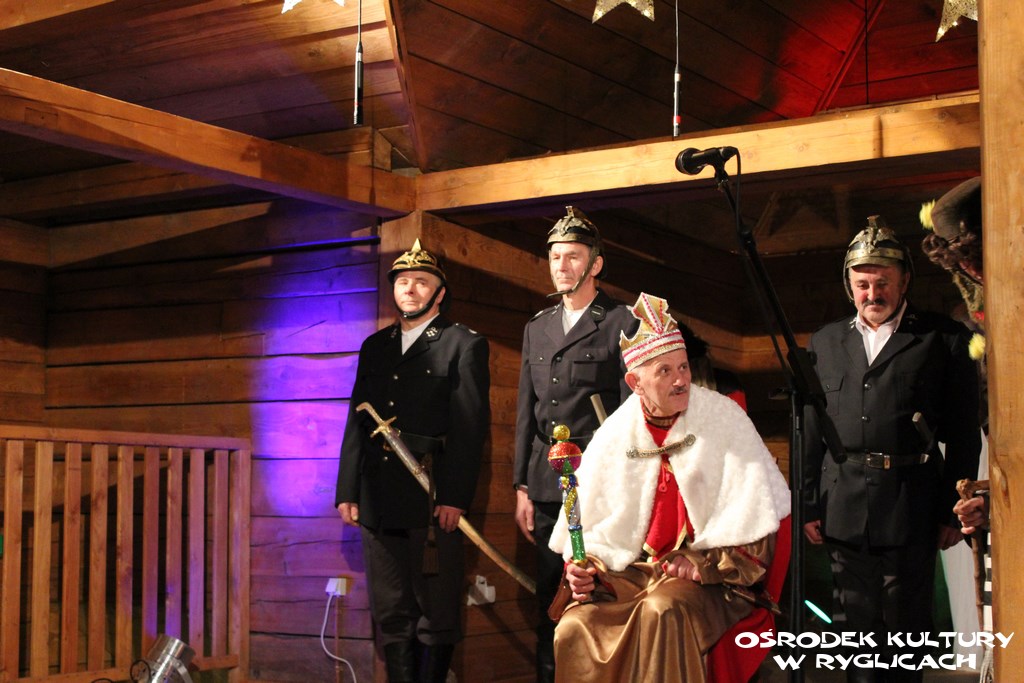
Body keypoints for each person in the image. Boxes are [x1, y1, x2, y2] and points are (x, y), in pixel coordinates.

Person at [547, 292, 791, 683]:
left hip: (713, 580)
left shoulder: (724, 419)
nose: (681, 380)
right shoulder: (615, 433)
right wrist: (585, 566)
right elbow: (595, 528)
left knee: (662, 609)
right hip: (632, 573)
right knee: (575, 625)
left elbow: (756, 520)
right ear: (635, 382)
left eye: (683, 367)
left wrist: (702, 562)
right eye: (665, 371)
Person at [802, 217, 981, 682]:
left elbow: (964, 432)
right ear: (849, 286)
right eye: (862, 284)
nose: (872, 293)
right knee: (854, 630)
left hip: (912, 502)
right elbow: (811, 429)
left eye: (883, 282)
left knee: (906, 626)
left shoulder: (943, 339)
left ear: (904, 282)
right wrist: (807, 503)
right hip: (842, 503)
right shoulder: (825, 341)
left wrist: (953, 507)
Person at [335, 239, 490, 683]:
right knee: (391, 610)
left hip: (431, 496)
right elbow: (358, 420)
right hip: (378, 496)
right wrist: (348, 490)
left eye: (421, 281)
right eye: (402, 281)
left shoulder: (463, 344)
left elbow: (469, 428)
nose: (410, 288)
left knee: (436, 611)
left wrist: (454, 497)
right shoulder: (375, 346)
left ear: (439, 293)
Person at [513, 206, 638, 683]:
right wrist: (522, 486)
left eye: (573, 257)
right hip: (547, 482)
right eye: (555, 257)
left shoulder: (621, 321)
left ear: (595, 263)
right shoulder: (538, 326)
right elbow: (526, 411)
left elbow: (631, 414)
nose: (561, 266)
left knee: (598, 593)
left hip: (598, 482)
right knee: (551, 594)